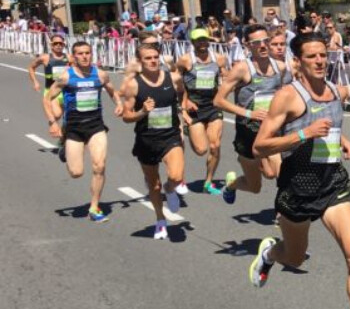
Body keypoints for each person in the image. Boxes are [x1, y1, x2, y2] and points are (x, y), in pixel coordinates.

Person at [246, 32, 350, 309]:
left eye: (323, 54)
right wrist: (303, 134)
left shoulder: (335, 91)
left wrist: (343, 141)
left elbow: (328, 125)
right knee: (294, 257)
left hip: (333, 184)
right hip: (297, 188)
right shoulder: (287, 97)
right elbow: (260, 146)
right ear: (298, 62)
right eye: (312, 56)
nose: (320, 61)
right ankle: (270, 254)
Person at [44, 40, 121, 222]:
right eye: (80, 53)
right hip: (74, 128)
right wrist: (52, 122)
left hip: (96, 126)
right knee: (76, 172)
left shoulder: (100, 74)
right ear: (74, 56)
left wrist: (118, 103)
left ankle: (94, 207)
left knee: (99, 166)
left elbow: (112, 90)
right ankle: (64, 149)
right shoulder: (66, 77)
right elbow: (48, 98)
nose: (85, 56)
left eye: (87, 53)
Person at [214, 24, 292, 205]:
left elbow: (287, 95)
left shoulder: (281, 68)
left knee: (280, 174)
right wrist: (249, 113)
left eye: (266, 41)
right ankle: (231, 185)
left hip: (271, 131)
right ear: (248, 45)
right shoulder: (242, 69)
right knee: (255, 187)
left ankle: (285, 214)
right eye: (257, 42)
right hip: (248, 133)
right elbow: (218, 101)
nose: (263, 45)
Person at [118, 42, 188, 241]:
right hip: (147, 140)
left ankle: (170, 189)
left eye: (156, 57)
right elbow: (126, 116)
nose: (153, 61)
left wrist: (183, 109)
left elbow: (182, 92)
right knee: (153, 185)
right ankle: (160, 219)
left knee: (176, 176)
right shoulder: (134, 84)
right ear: (140, 61)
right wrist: (142, 111)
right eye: (148, 58)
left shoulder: (173, 78)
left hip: (170, 136)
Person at [176, 29, 229, 194]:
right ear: (192, 43)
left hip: (213, 106)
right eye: (199, 40)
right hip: (194, 107)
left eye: (205, 40)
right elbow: (178, 84)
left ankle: (208, 182)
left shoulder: (219, 58)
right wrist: (185, 103)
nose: (202, 43)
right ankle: (189, 129)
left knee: (215, 145)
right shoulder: (185, 60)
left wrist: (224, 89)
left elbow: (226, 79)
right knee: (201, 150)